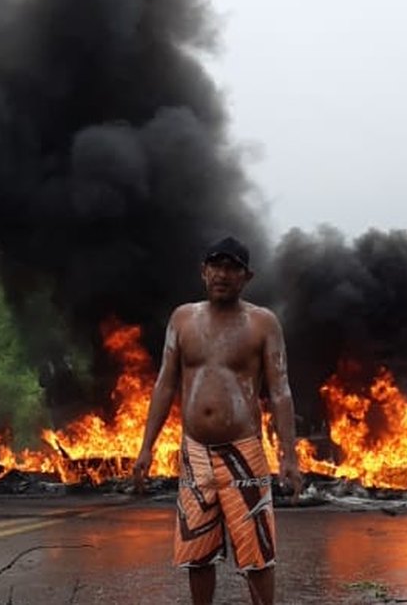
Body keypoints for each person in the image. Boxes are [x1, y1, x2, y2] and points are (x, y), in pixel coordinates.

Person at [132, 236, 303, 605]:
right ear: (203, 271)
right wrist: (146, 447)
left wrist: (289, 456)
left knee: (257, 552)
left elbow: (280, 391)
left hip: (244, 453)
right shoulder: (182, 319)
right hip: (195, 452)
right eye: (216, 266)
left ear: (247, 276)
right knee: (197, 552)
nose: (222, 274)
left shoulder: (262, 323)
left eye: (232, 268)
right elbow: (165, 385)